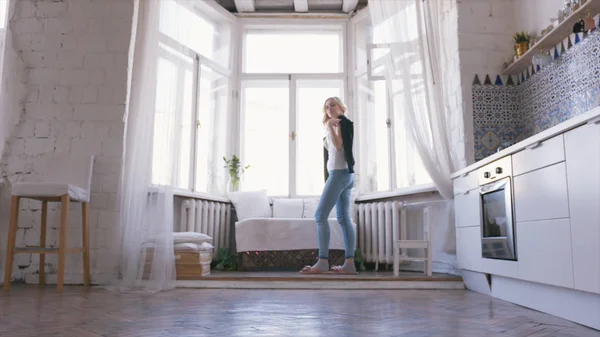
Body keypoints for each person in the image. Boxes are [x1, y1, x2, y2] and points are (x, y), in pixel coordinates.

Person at [300, 97, 357, 274]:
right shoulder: (337, 124)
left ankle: (323, 261)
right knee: (343, 218)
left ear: (341, 107)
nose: (329, 108)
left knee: (320, 215)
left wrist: (332, 126)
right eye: (326, 106)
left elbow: (339, 147)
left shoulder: (340, 123)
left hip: (340, 174)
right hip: (344, 174)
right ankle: (349, 264)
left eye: (332, 105)